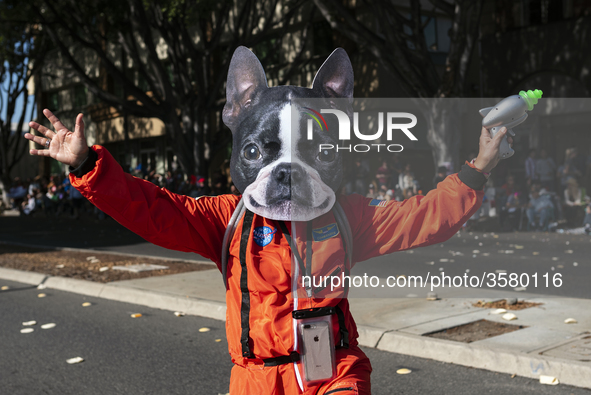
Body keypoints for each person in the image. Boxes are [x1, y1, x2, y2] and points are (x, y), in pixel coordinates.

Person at [27, 100, 511, 394]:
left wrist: (478, 168)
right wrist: (88, 163)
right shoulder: (227, 219)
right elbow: (152, 210)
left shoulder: (345, 216)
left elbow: (423, 217)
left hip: (334, 373)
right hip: (256, 381)